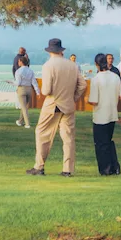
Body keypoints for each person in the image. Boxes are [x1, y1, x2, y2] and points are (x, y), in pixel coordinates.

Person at [26, 38, 87, 177]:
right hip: (68, 104)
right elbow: (82, 85)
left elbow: (46, 90)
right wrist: (74, 98)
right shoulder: (72, 65)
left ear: (49, 51)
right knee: (68, 137)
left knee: (41, 133)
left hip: (53, 103)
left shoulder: (48, 66)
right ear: (61, 51)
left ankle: (39, 166)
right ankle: (68, 169)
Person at [87, 53, 121, 176]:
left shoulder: (96, 79)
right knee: (108, 140)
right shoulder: (115, 77)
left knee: (100, 144)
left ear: (97, 64)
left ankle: (106, 168)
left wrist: (87, 98)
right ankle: (114, 166)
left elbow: (94, 100)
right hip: (112, 113)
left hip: (100, 114)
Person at [13, 55, 36, 128]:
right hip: (29, 89)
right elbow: (34, 82)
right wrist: (37, 91)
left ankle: (27, 124)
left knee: (24, 107)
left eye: (19, 61)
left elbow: (18, 82)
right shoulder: (30, 71)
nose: (18, 62)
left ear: (21, 62)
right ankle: (20, 121)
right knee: (24, 106)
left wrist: (11, 82)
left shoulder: (18, 71)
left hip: (22, 89)